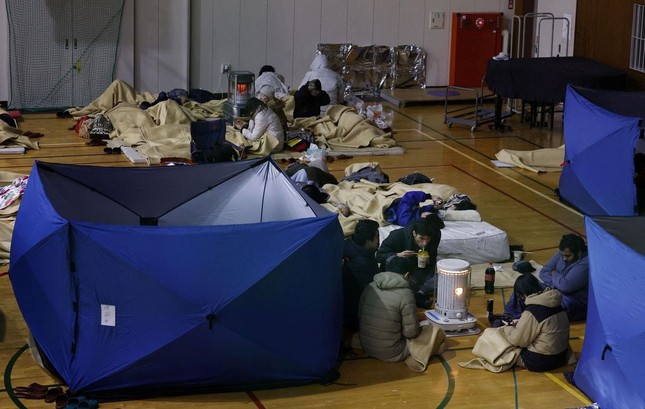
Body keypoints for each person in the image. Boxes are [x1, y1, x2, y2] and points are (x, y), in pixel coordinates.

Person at [358, 257, 446, 371]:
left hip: (366, 346)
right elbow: (411, 333)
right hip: (392, 353)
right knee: (435, 331)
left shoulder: (370, 286)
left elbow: (360, 316)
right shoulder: (405, 294)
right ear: (407, 274)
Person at [503, 234, 589, 322]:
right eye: (561, 255)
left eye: (567, 256)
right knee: (522, 285)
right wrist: (558, 283)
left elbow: (566, 286)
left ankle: (528, 320)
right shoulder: (563, 253)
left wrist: (554, 273)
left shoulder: (586, 263)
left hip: (573, 300)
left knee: (548, 304)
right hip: (553, 289)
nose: (563, 258)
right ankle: (509, 317)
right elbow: (544, 272)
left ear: (578, 253)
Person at [502, 274, 572, 372]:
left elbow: (518, 341)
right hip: (561, 357)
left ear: (522, 294)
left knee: (500, 346)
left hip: (540, 361)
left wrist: (508, 327)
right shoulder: (556, 303)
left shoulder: (533, 311)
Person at [375, 215, 443, 308]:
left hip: (420, 269)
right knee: (398, 268)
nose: (425, 243)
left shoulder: (435, 236)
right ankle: (416, 294)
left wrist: (428, 260)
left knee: (443, 275)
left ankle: (420, 292)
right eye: (421, 238)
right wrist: (398, 254)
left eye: (428, 239)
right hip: (402, 270)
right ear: (414, 233)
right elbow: (379, 256)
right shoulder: (397, 235)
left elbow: (433, 257)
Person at [342, 219, 380, 333]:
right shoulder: (362, 263)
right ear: (368, 241)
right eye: (377, 237)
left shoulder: (349, 243)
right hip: (355, 309)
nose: (379, 240)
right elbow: (370, 291)